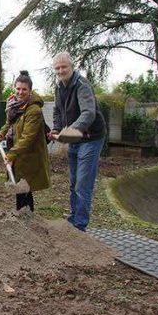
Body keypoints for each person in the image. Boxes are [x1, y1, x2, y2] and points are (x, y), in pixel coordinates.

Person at [50, 52, 107, 231]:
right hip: (74, 138)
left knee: (83, 183)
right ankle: (74, 217)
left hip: (90, 138)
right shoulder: (59, 87)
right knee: (74, 181)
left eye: (64, 67)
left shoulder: (82, 85)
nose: (60, 71)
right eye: (57, 68)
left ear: (72, 67)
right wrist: (57, 129)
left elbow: (88, 113)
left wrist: (70, 131)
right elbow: (58, 112)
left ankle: (80, 225)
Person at [0, 71, 50, 212]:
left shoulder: (34, 110)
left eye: (24, 89)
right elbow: (9, 123)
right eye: (18, 88)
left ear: (30, 91)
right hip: (19, 153)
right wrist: (1, 133)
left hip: (28, 155)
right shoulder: (14, 105)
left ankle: (27, 222)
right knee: (21, 190)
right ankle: (24, 219)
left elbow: (28, 137)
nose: (20, 92)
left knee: (24, 189)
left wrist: (12, 155)